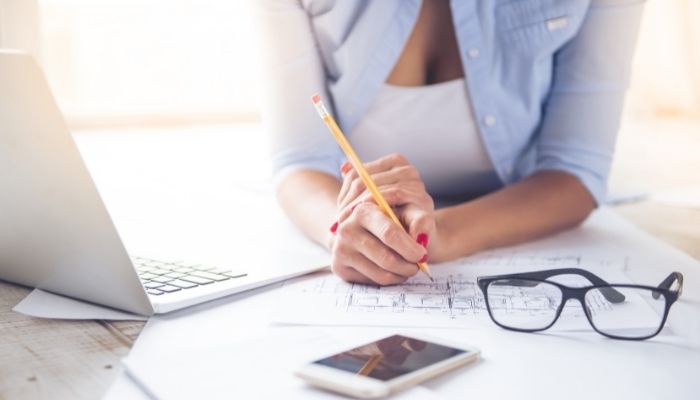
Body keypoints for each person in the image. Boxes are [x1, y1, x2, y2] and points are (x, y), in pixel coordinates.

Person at [255, 0, 643, 285]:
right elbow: (300, 159)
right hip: (348, 206)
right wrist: (343, 232)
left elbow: (576, 168)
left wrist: (442, 233)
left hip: (518, 208)